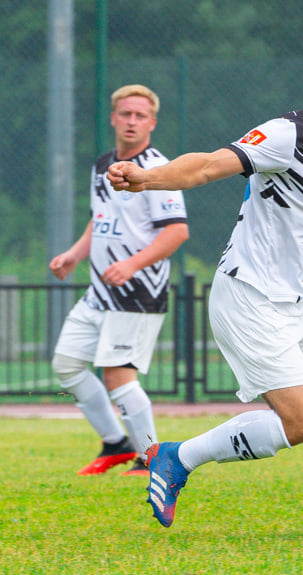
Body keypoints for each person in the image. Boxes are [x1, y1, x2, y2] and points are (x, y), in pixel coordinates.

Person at [106, 48, 303, 539]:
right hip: (250, 297)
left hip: (302, 296)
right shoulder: (286, 135)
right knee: (302, 421)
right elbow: (206, 166)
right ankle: (178, 456)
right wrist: (146, 178)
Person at [50, 84, 189, 477]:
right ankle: (116, 443)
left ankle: (151, 458)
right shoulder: (103, 165)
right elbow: (101, 219)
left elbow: (176, 232)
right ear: (113, 118)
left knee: (117, 375)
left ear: (152, 123)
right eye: (125, 114)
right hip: (99, 293)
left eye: (140, 116)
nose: (131, 121)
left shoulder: (156, 169)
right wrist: (74, 256)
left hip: (136, 293)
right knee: (67, 365)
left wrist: (131, 265)